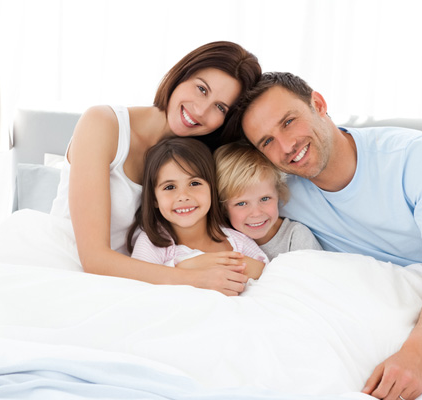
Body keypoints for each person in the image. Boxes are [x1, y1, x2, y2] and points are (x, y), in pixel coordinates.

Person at [224, 71, 422, 400]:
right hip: (387, 304)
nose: (285, 146)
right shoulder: (280, 196)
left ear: (319, 104)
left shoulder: (415, 155)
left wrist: (414, 357)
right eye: (266, 141)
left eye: (288, 122)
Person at [49, 41, 261, 296]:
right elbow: (94, 260)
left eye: (220, 107)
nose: (201, 110)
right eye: (201, 89)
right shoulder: (102, 124)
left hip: (143, 283)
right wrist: (190, 276)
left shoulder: (196, 160)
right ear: (180, 75)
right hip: (66, 267)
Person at [127, 137, 268, 280]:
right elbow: (139, 284)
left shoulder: (236, 241)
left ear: (212, 189)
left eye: (194, 183)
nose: (183, 196)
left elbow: (268, 273)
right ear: (154, 199)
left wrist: (239, 265)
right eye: (169, 187)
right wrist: (186, 267)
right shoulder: (153, 242)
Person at [214, 140, 322, 260]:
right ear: (223, 207)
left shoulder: (295, 236)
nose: (256, 213)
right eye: (241, 203)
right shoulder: (224, 239)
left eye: (265, 199)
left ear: (278, 193)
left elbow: (314, 277)